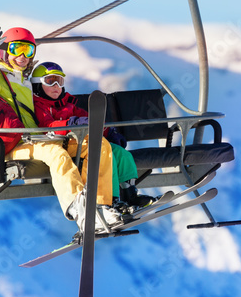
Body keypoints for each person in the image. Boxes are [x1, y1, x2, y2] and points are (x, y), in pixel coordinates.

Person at [0, 25, 122, 232]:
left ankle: (101, 205)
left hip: (39, 139)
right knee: (56, 153)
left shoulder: (24, 80)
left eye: (28, 51)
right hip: (16, 144)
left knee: (97, 145)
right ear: (4, 51)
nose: (22, 56)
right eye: (16, 49)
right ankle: (80, 209)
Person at [31, 61, 156, 213]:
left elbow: (89, 120)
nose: (57, 85)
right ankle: (111, 201)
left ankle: (130, 194)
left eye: (60, 81)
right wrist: (71, 123)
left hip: (80, 141)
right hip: (63, 144)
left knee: (120, 153)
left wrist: (107, 131)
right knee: (102, 150)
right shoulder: (39, 106)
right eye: (51, 81)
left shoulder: (68, 104)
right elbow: (47, 127)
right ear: (37, 85)